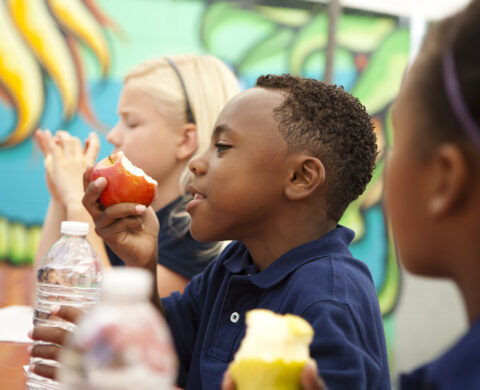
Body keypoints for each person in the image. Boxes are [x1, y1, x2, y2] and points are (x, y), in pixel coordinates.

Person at [30, 74, 391, 389]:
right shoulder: (237, 264)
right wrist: (142, 262)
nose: (196, 163)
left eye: (222, 147)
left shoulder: (328, 301)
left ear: (300, 178)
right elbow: (168, 353)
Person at [34, 54, 239, 295]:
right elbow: (46, 300)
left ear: (185, 140)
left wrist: (76, 201)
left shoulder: (197, 232)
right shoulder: (124, 214)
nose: (112, 135)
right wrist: (60, 197)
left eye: (131, 123)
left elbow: (109, 315)